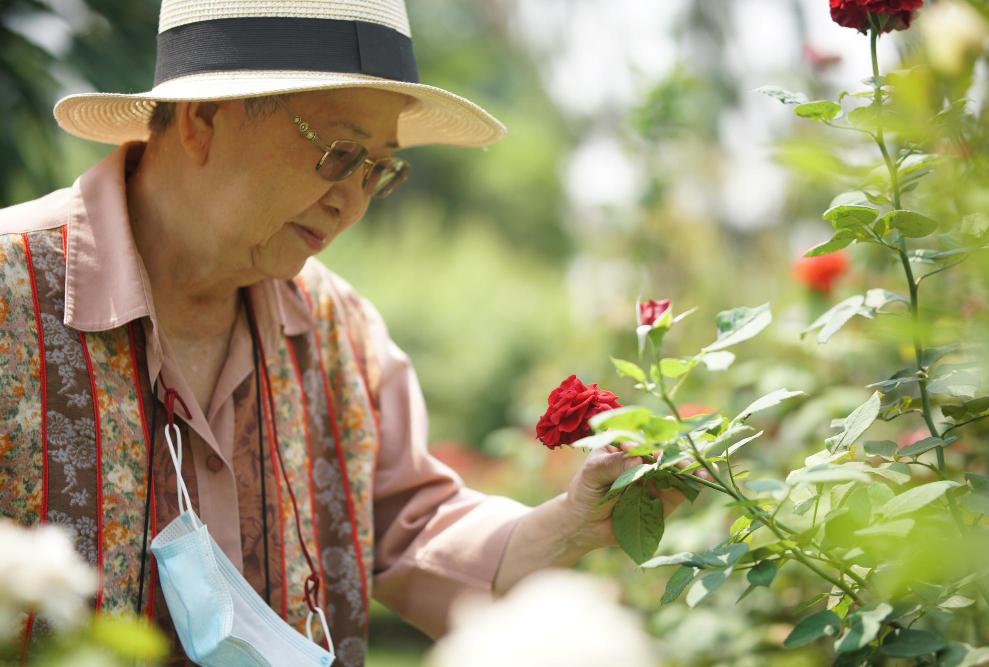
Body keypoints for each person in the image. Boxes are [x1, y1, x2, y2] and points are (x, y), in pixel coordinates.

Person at [0, 0, 684, 664]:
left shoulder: (341, 333)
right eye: (336, 152)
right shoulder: (11, 294)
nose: (352, 199)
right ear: (203, 118)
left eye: (378, 169)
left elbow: (419, 533)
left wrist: (570, 520)